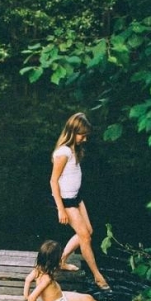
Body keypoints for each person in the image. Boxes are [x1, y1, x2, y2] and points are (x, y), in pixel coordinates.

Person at [50, 112, 111, 290]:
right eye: (82, 135)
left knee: (88, 232)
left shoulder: (73, 150)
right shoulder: (63, 152)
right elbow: (53, 181)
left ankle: (61, 260)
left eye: (86, 136)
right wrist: (60, 209)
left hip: (77, 198)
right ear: (72, 131)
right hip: (67, 201)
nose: (84, 139)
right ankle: (98, 276)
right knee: (85, 238)